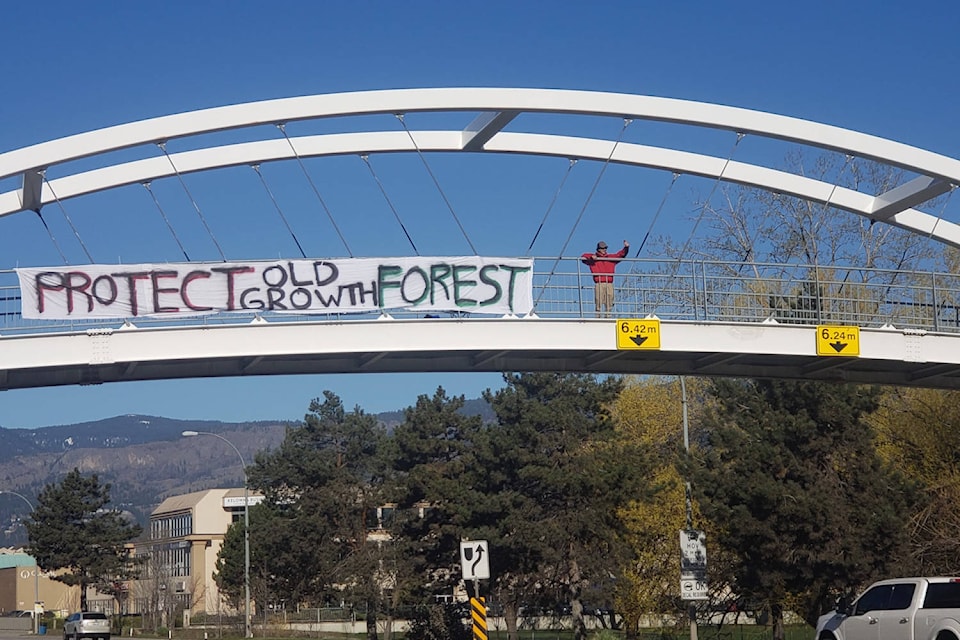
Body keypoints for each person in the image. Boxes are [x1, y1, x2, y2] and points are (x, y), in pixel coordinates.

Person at [581, 240, 629, 317]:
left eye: (605, 248)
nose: (604, 250)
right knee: (598, 301)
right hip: (599, 283)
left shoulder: (610, 258)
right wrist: (591, 257)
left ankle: (608, 317)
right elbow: (583, 257)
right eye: (602, 248)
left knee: (609, 301)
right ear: (598, 249)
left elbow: (620, 255)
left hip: (609, 283)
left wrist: (626, 248)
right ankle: (598, 317)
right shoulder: (593, 259)